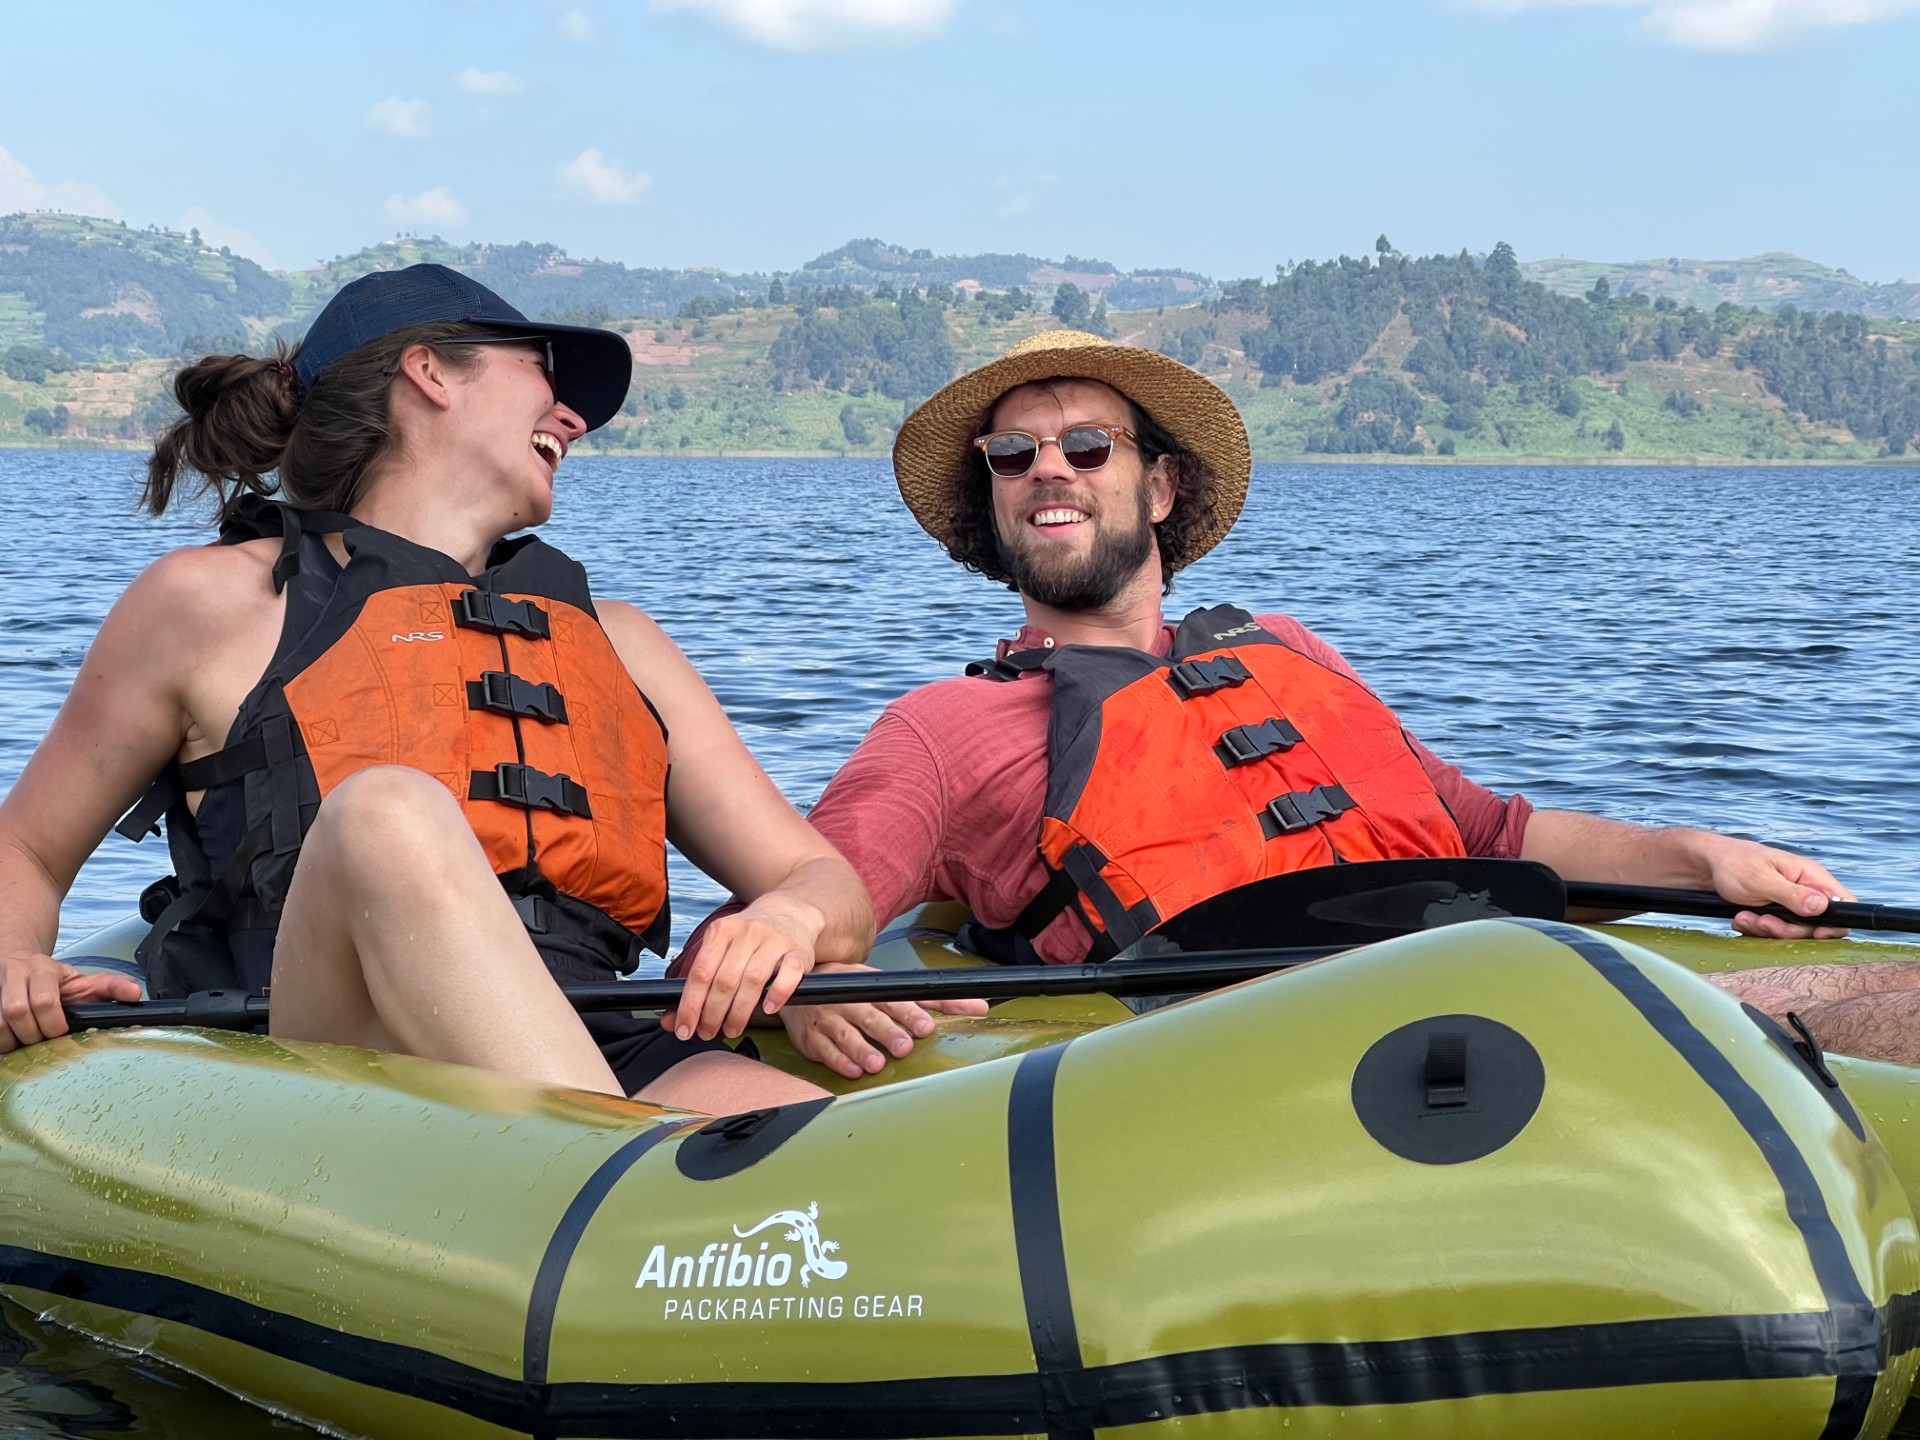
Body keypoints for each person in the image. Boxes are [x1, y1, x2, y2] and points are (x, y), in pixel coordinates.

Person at [743, 328, 1876, 1077]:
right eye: (1013, 454)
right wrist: (800, 950)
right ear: (989, 499)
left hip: (1487, 988)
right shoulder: (945, 729)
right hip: (1292, 1069)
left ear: (1161, 482)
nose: (1053, 470)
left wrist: (1698, 856)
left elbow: (1493, 838)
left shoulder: (1286, 653)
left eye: (1089, 444)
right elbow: (834, 880)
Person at [0, 264, 871, 1114]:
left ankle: (602, 1167)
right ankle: (608, 1175)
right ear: (429, 372)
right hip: (322, 1054)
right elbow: (29, 851)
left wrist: (791, 921)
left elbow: (819, 876)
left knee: (834, 1173)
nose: (570, 415)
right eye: (539, 370)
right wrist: (11, 958)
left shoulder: (624, 642)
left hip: (595, 1041)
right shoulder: (210, 602)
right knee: (385, 813)